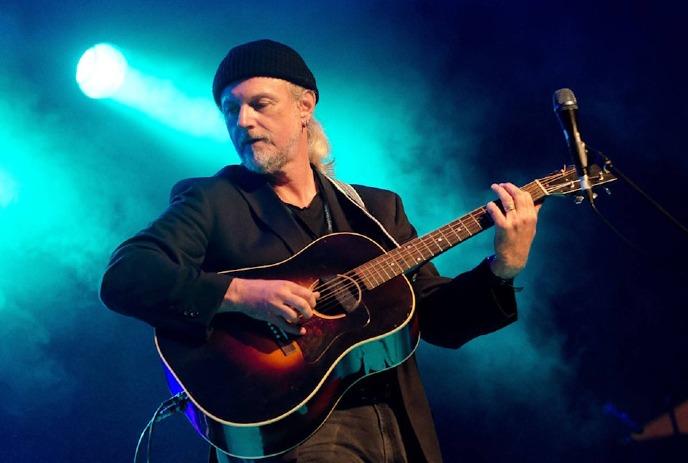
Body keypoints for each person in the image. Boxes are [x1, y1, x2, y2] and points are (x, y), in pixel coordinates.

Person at [100, 39, 539, 463]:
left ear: (305, 106)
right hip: (291, 436)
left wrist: (503, 267)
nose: (244, 121)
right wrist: (240, 295)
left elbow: (439, 321)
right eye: (231, 110)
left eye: (260, 104)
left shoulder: (377, 210)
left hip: (393, 425)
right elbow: (126, 276)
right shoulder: (214, 200)